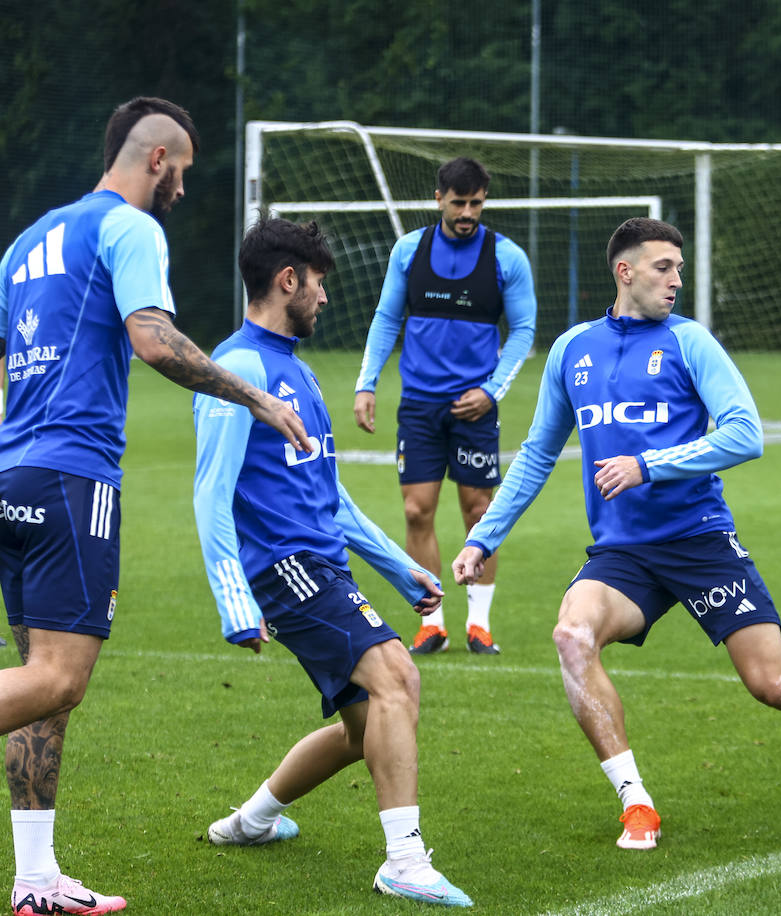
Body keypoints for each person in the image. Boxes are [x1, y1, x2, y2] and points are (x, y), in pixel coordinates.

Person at [452, 217, 781, 852]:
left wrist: (648, 465)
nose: (676, 281)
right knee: (572, 635)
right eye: (664, 268)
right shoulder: (572, 350)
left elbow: (746, 433)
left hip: (700, 542)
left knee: (776, 685)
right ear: (624, 271)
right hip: (623, 554)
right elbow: (536, 455)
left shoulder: (691, 343)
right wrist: (482, 538)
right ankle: (636, 802)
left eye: (680, 269)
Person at [0, 96, 309, 916]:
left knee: (38, 685)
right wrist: (255, 398)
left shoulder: (28, 240)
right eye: (184, 174)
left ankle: (34, 881)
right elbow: (152, 338)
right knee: (59, 681)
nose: (181, 192)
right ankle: (34, 879)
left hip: (15, 477)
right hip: (73, 479)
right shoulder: (130, 228)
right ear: (158, 159)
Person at [194, 217, 470, 907]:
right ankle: (404, 860)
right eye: (317, 284)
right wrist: (235, 601)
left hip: (323, 564)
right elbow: (210, 492)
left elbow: (331, 497)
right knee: (397, 679)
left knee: (362, 726)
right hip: (285, 567)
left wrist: (398, 567)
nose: (323, 298)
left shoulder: (300, 372)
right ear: (288, 280)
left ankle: (250, 821)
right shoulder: (240, 369)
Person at [353, 157, 536, 656]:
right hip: (418, 405)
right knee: (417, 511)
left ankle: (480, 624)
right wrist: (366, 384)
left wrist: (491, 391)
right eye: (459, 203)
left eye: (476, 203)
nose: (468, 213)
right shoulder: (410, 251)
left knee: (480, 512)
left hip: (476, 407)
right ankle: (431, 622)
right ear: (439, 198)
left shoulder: (507, 258)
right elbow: (386, 318)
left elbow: (523, 332)